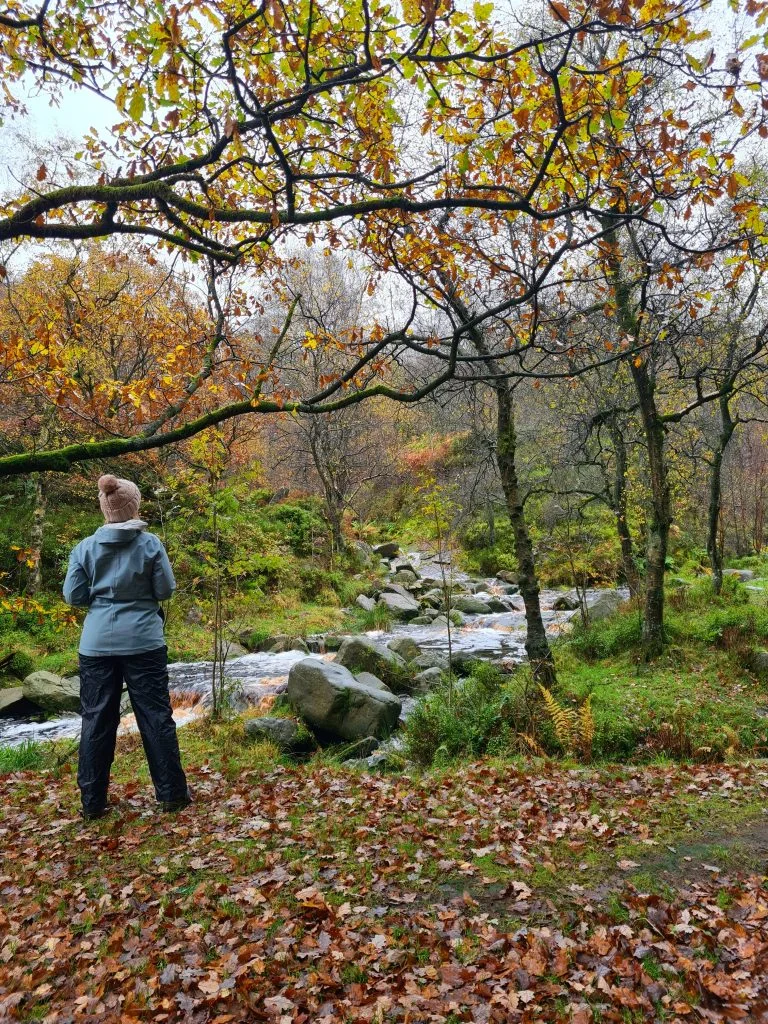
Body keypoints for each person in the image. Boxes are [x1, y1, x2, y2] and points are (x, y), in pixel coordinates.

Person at [63, 474, 190, 820]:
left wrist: (101, 598)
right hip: (144, 642)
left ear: (104, 508)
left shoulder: (84, 548)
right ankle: (172, 795)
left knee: (96, 720)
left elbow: (73, 596)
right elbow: (164, 590)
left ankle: (92, 803)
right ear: (134, 506)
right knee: (155, 716)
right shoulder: (150, 545)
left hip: (96, 645)